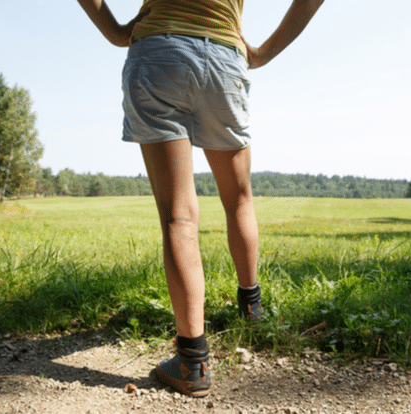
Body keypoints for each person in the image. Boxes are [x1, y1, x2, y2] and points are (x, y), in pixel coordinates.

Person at [77, 0, 324, 397]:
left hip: (161, 54)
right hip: (225, 58)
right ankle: (252, 310)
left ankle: (193, 363)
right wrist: (262, 51)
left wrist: (114, 30)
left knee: (179, 215)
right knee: (239, 198)